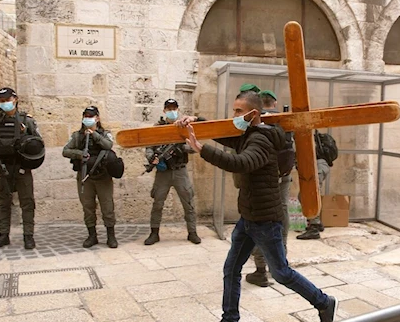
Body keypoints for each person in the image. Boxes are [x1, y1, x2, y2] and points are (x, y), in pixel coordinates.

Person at [181, 91, 338, 322]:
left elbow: (241, 162)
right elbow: (225, 137)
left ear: (253, 113)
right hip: (248, 219)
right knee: (232, 269)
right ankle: (230, 318)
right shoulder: (248, 133)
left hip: (266, 220)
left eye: (238, 111)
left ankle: (324, 302)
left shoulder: (261, 140)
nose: (233, 116)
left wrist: (202, 149)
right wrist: (197, 121)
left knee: (281, 273)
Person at [244, 89, 295, 287]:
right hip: (284, 177)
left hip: (262, 179)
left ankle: (260, 269)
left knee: (259, 219)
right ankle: (281, 263)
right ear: (274, 103)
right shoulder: (284, 120)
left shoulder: (254, 122)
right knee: (282, 216)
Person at [0, 88, 43, 250]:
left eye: (7, 100)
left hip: (22, 167)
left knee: (27, 202)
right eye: (1, 101)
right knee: (4, 202)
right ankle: (4, 235)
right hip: (2, 167)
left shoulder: (27, 120)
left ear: (15, 99)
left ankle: (28, 235)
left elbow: (38, 144)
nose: (4, 103)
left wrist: (25, 136)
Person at [143, 98, 202, 245]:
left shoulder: (184, 126)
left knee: (188, 202)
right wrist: (153, 157)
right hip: (163, 172)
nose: (172, 111)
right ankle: (154, 233)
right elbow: (149, 147)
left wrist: (182, 148)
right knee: (157, 203)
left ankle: (192, 232)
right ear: (164, 111)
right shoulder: (157, 127)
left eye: (174, 108)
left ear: (178, 109)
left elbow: (194, 146)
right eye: (169, 109)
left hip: (180, 170)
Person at [62, 106, 118, 249]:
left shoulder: (104, 134)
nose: (88, 118)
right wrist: (80, 154)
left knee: (107, 206)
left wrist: (94, 135)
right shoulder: (77, 135)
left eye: (91, 116)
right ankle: (92, 235)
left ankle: (111, 236)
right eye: (86, 116)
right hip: (85, 175)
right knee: (88, 206)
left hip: (103, 176)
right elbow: (66, 151)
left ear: (97, 118)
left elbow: (108, 145)